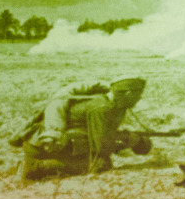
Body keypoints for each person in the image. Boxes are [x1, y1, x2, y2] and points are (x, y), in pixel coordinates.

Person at [8, 77, 151, 179]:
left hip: (53, 144)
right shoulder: (101, 107)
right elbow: (100, 147)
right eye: (138, 95)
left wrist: (127, 139)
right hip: (44, 146)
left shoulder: (113, 105)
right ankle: (37, 166)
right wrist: (127, 143)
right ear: (127, 93)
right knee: (101, 163)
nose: (139, 99)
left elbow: (101, 134)